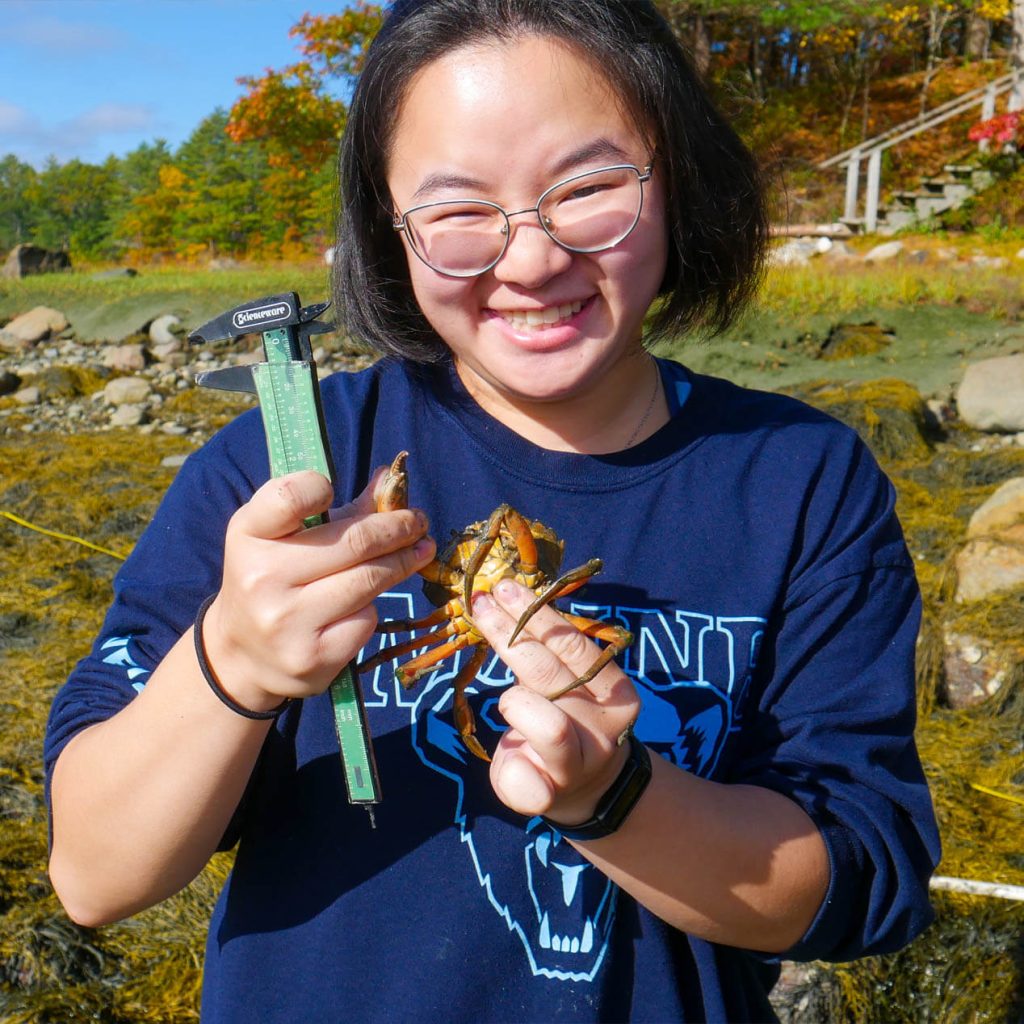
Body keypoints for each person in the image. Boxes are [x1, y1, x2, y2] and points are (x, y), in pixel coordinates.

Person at [45, 1, 940, 1021]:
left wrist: (619, 796)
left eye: (589, 188)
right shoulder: (288, 468)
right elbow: (93, 874)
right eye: (458, 210)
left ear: (677, 179)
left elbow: (864, 876)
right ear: (388, 228)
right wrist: (231, 665)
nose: (529, 259)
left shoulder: (799, 481)